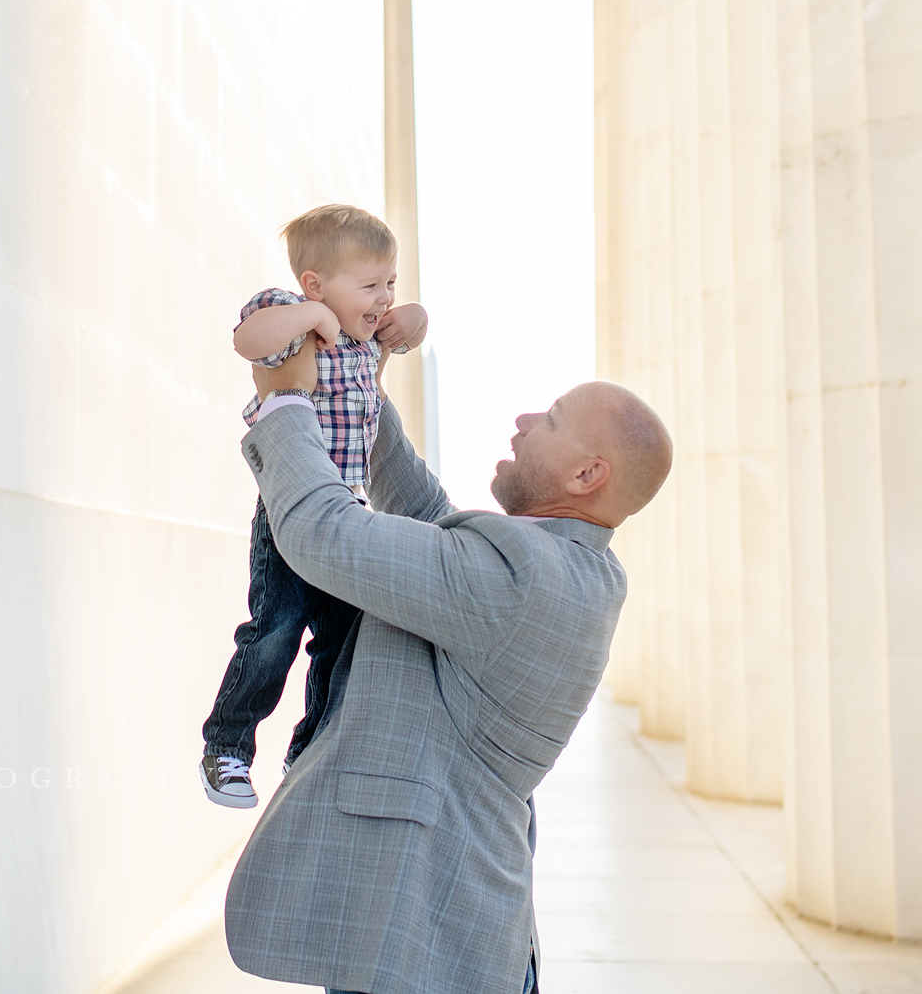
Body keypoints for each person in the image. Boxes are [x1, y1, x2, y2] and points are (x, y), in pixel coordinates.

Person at [224, 341, 672, 994]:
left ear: (587, 475)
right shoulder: (572, 568)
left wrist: (285, 399)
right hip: (439, 936)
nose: (523, 421)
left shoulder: (522, 580)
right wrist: (359, 390)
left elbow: (323, 533)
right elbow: (429, 518)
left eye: (550, 420)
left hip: (424, 943)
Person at [199, 205, 430, 808]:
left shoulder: (363, 340)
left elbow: (412, 328)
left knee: (340, 639)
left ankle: (312, 747)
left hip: (348, 513)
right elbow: (247, 342)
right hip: (288, 514)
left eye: (391, 283)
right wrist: (311, 316)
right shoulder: (291, 315)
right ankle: (227, 745)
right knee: (275, 629)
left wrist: (414, 315)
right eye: (371, 284)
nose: (384, 298)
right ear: (315, 284)